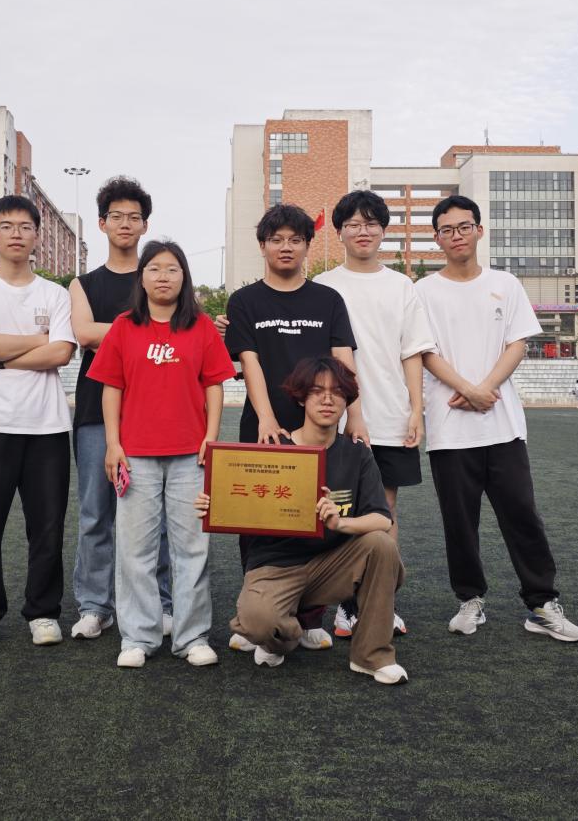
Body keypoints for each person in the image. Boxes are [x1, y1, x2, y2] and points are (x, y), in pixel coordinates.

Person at [417, 195, 578, 643]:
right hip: (449, 429)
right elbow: (425, 352)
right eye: (447, 229)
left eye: (464, 226)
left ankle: (541, 603)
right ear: (437, 238)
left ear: (479, 230)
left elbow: (518, 343)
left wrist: (485, 387)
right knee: (460, 522)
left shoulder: (505, 284)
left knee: (522, 515)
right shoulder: (423, 292)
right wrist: (467, 388)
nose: (457, 235)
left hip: (503, 425)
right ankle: (469, 599)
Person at [202, 357, 407, 684]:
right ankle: (284, 634)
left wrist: (341, 524)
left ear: (347, 401)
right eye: (317, 391)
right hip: (275, 566)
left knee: (381, 545)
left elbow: (382, 519)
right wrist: (216, 505)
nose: (327, 399)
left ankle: (371, 656)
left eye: (336, 392)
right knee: (258, 623)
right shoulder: (274, 449)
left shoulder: (356, 454)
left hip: (331, 564)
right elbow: (241, 502)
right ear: (301, 398)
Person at [222, 203, 361, 652]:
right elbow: (250, 362)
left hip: (320, 428)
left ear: (307, 246)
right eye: (277, 239)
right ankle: (258, 610)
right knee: (256, 518)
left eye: (295, 240)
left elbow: (343, 361)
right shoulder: (245, 301)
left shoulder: (328, 300)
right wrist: (266, 417)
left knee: (316, 514)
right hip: (263, 426)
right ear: (262, 245)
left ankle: (310, 615)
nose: (286, 247)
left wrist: (355, 414)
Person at [88, 240, 234, 668]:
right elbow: (111, 388)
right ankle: (138, 636)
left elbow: (214, 385)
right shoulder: (123, 327)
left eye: (172, 269)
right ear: (142, 278)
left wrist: (211, 436)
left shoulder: (201, 326)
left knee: (192, 549)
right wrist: (113, 443)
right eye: (154, 269)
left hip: (191, 455)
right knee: (135, 551)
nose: (163, 277)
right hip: (136, 456)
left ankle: (192, 637)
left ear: (184, 277)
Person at [0, 195, 77, 653]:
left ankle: (43, 613)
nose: (16, 234)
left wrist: (1, 361)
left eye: (25, 227)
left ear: (37, 236)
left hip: (47, 428)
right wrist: (36, 341)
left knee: (47, 528)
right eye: (6, 226)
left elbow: (61, 353)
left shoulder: (55, 294)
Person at [314, 190, 435, 638]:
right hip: (337, 421)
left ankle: (380, 604)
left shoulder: (402, 286)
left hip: (390, 416)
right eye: (353, 224)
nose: (362, 231)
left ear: (383, 231)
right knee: (337, 508)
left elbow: (412, 352)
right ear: (339, 232)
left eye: (370, 224)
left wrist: (416, 409)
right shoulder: (324, 285)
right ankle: (345, 606)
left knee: (385, 510)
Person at [68, 176, 173, 642]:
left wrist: (113, 332)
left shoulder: (160, 276)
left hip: (156, 412)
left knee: (159, 517)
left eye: (134, 217)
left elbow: (177, 330)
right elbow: (84, 334)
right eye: (117, 217)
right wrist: (145, 330)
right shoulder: (84, 283)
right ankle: (95, 606)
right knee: (96, 513)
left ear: (145, 225)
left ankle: (161, 603)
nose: (125, 224)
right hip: (96, 411)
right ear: (102, 223)